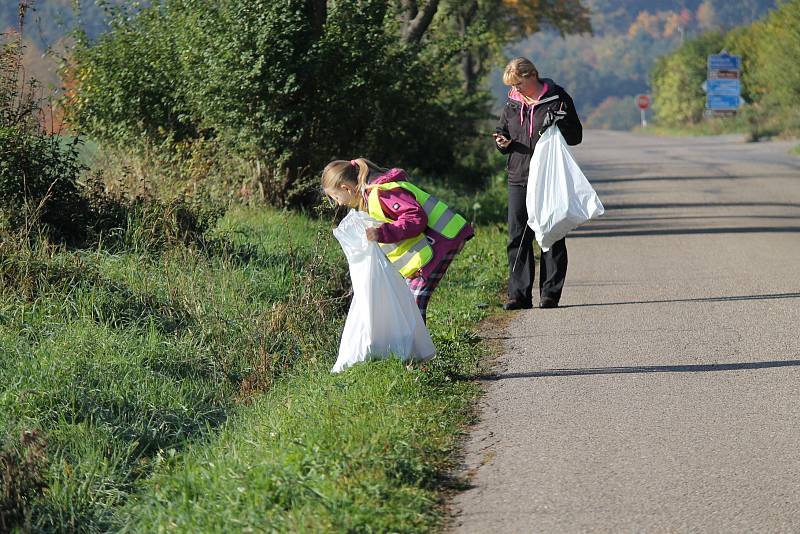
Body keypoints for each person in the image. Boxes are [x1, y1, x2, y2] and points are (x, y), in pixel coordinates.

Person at [322, 158, 474, 323]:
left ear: (346, 188)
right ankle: (415, 346)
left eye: (336, 197)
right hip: (435, 245)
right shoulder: (374, 195)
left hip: (442, 242)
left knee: (412, 309)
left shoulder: (381, 193)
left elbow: (415, 218)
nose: (339, 203)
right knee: (409, 305)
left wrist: (381, 233)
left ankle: (417, 348)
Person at [494, 57, 582, 310]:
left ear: (532, 75)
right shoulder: (512, 101)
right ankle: (518, 295)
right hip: (519, 176)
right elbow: (503, 131)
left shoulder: (558, 98)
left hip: (549, 177)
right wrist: (502, 143)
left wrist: (561, 119)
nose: (516, 89)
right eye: (512, 85)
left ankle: (549, 294)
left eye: (519, 84)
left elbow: (576, 137)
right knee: (517, 236)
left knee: (551, 231)